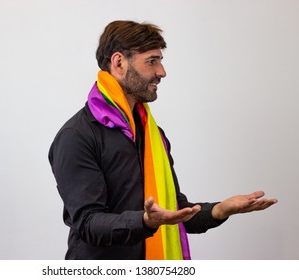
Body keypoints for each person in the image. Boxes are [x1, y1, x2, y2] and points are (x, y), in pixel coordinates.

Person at [48, 20, 278, 260]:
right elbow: (87, 222)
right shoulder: (77, 136)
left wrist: (220, 210)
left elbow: (174, 211)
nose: (162, 72)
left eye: (160, 60)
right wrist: (145, 221)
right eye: (152, 61)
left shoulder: (153, 134)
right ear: (119, 63)